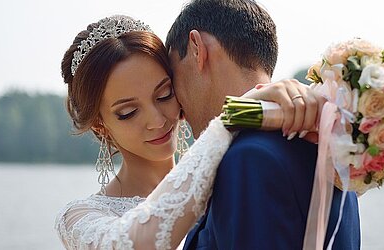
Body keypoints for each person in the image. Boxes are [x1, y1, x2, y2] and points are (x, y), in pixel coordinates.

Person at [54, 15, 323, 250]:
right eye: (128, 112)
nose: (157, 120)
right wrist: (228, 121)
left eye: (164, 95)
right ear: (100, 125)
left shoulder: (235, 171)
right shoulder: (80, 217)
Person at [165, 0, 361, 249]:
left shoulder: (249, 157)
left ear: (196, 49)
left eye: (173, 79)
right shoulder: (331, 148)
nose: (178, 112)